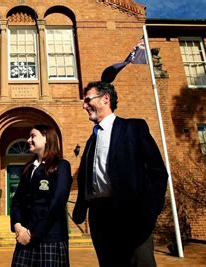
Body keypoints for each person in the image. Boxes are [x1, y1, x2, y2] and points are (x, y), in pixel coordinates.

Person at [72, 81, 168, 266]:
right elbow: (85, 178)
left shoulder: (133, 128)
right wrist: (82, 209)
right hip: (100, 215)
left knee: (141, 263)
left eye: (88, 100)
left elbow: (157, 171)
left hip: (132, 213)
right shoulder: (92, 140)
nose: (84, 105)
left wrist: (152, 209)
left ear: (105, 99)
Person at [10, 124, 72, 267]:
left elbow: (57, 203)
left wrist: (34, 233)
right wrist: (18, 227)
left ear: (46, 138)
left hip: (49, 238)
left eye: (33, 136)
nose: (28, 140)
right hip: (24, 238)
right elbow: (17, 201)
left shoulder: (61, 166)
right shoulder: (28, 167)